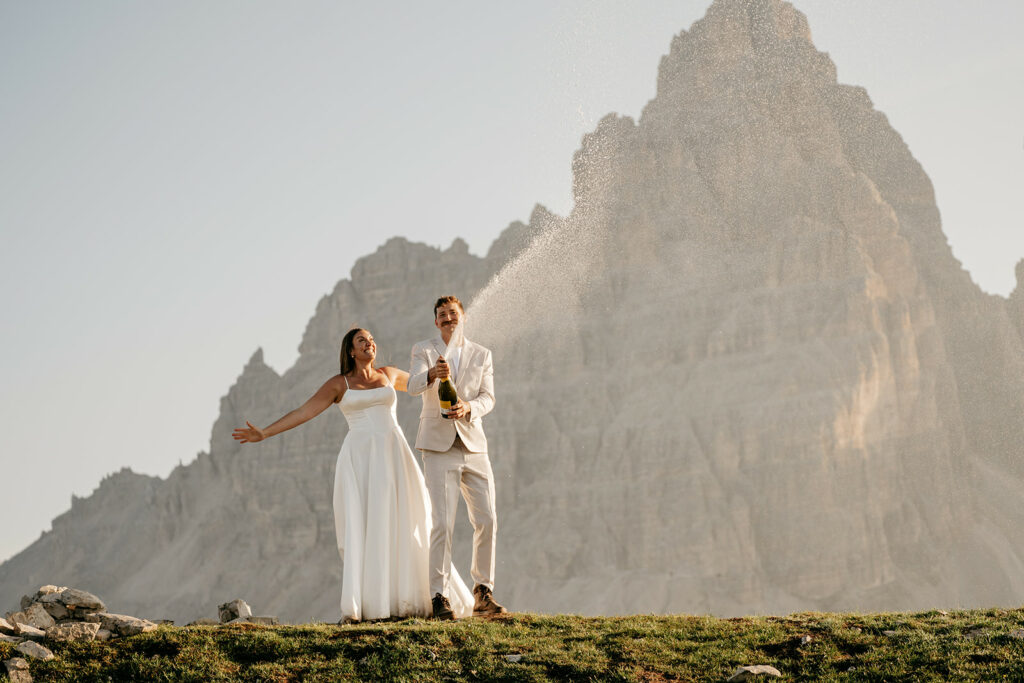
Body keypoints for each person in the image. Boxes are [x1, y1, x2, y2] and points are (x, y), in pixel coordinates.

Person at [231, 327, 472, 622]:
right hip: (360, 459)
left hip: (394, 453)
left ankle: (422, 596)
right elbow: (305, 411)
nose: (370, 343)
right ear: (351, 351)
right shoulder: (339, 384)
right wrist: (265, 432)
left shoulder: (388, 374)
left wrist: (437, 374)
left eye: (372, 339)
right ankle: (375, 604)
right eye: (362, 341)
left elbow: (419, 384)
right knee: (367, 523)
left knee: (408, 518)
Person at [408, 295, 507, 619]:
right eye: (442, 315)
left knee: (487, 518)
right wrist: (432, 375)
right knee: (442, 523)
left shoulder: (482, 354)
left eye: (453, 313)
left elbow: (488, 398)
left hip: (474, 445)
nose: (448, 318)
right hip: (438, 448)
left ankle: (483, 592)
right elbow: (411, 386)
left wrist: (468, 409)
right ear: (436, 322)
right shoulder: (423, 350)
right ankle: (439, 596)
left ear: (463, 317)